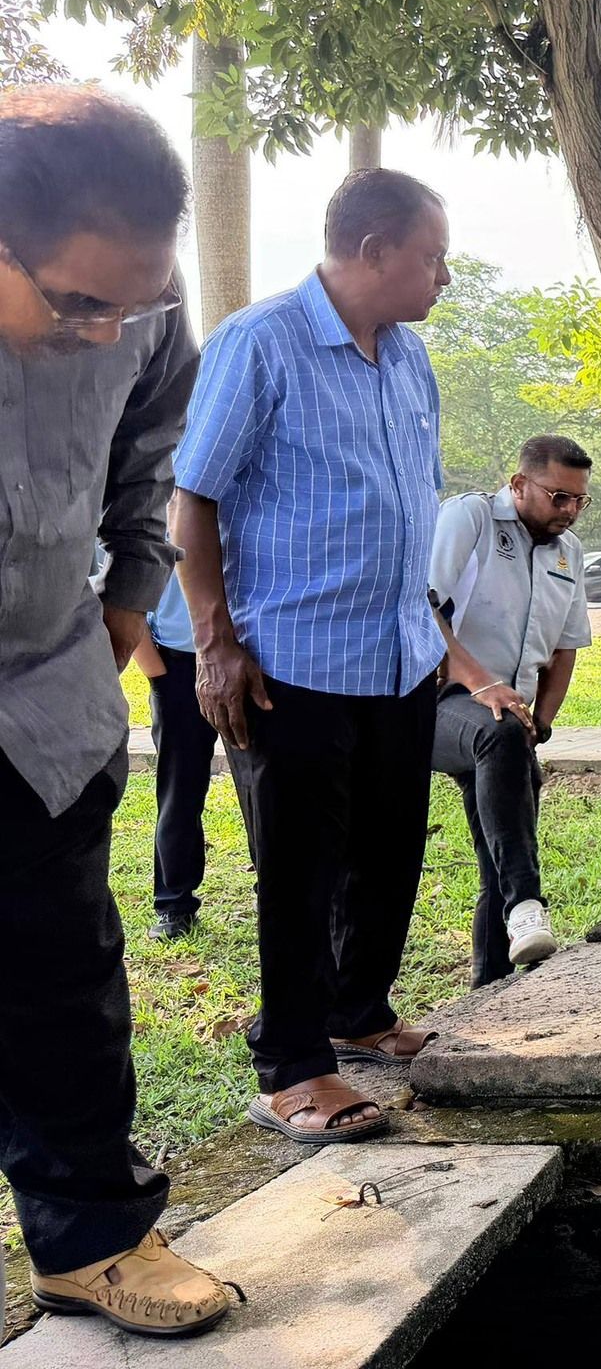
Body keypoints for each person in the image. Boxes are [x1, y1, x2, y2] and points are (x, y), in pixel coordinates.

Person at [0, 83, 235, 1336]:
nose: (106, 333)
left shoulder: (143, 314)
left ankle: (90, 1241)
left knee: (65, 986)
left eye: (131, 304)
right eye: (75, 303)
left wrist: (132, 588)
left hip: (43, 702)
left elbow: (149, 452)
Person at [172, 167, 451, 1147]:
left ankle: (358, 1009)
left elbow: (411, 497)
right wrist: (214, 642)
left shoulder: (410, 358)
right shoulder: (262, 343)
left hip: (396, 654)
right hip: (291, 659)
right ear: (372, 252)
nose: (441, 276)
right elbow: (194, 497)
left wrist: (438, 644)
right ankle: (291, 1065)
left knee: (389, 849)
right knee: (300, 868)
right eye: (429, 257)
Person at [429, 434, 595, 986]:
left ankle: (492, 988)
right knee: (497, 733)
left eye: (578, 501)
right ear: (519, 483)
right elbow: (420, 603)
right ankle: (527, 902)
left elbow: (566, 646)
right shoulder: (471, 518)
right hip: (436, 701)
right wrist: (481, 685)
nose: (569, 511)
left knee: (498, 849)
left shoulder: (568, 555)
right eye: (558, 497)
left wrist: (541, 722)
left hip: (508, 721)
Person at [131, 570, 217, 942]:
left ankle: (276, 896)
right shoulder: (151, 514)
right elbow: (122, 596)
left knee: (264, 792)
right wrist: (158, 674)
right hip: (177, 664)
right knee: (179, 791)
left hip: (253, 657)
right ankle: (173, 903)